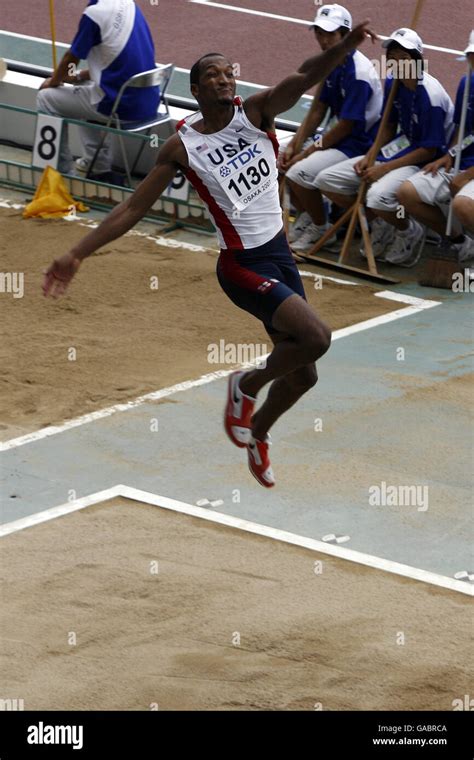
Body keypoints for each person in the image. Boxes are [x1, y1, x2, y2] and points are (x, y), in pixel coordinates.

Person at [42, 22, 377, 488]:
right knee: (316, 337)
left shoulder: (257, 113)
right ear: (196, 90)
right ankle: (245, 386)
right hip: (242, 265)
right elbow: (133, 208)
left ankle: (258, 433)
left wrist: (347, 47)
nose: (224, 80)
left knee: (304, 377)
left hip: (281, 254)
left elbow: (302, 77)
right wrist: (76, 253)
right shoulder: (184, 148)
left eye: (228, 74)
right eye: (213, 76)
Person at [318, 28, 454, 267]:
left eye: (402, 56)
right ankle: (383, 221)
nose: (395, 62)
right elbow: (389, 127)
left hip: (425, 161)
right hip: (402, 148)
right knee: (327, 180)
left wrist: (384, 168)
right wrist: (371, 156)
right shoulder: (393, 83)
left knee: (378, 196)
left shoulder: (430, 96)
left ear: (416, 59)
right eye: (392, 56)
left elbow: (429, 150)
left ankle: (407, 230)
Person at [280, 4, 382, 252]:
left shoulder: (359, 73)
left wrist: (307, 152)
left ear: (346, 35)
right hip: (335, 138)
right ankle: (308, 215)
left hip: (356, 144)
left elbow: (347, 125)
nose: (323, 40)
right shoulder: (331, 62)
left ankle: (321, 226)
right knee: (280, 157)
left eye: (330, 34)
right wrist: (295, 143)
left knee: (297, 172)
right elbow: (317, 110)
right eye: (319, 33)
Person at [37, 0, 160, 180]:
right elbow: (123, 63)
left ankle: (60, 173)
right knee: (86, 87)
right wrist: (78, 76)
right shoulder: (128, 4)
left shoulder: (95, 14)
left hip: (122, 108)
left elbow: (72, 57)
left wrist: (54, 81)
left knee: (45, 98)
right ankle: (98, 167)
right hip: (149, 102)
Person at [397, 30, 474, 255]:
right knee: (407, 193)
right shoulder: (466, 83)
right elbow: (463, 128)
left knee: (462, 204)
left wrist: (468, 174)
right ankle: (458, 241)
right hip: (462, 159)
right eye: (471, 56)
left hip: (471, 170)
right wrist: (450, 154)